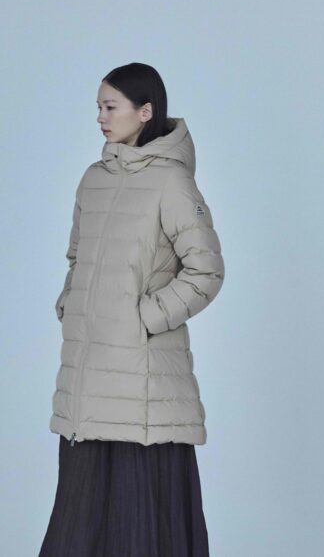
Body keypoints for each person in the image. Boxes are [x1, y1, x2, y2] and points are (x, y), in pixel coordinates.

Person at [41, 63, 224, 557]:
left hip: (143, 386)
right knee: (79, 522)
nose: (100, 118)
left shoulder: (172, 183)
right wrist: (72, 303)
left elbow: (206, 271)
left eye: (110, 107)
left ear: (145, 112)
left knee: (139, 525)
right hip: (86, 381)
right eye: (98, 107)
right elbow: (77, 258)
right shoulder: (93, 180)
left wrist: (142, 318)